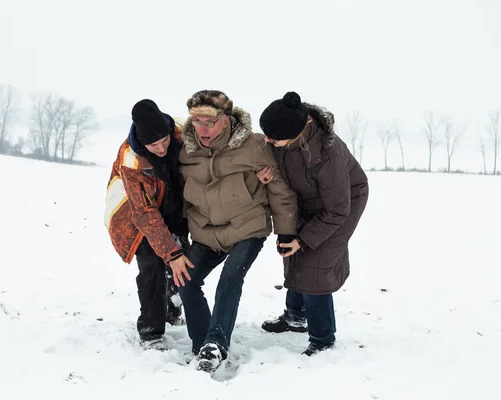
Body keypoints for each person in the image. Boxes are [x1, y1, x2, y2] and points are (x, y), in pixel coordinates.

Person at [176, 90, 298, 372]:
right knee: (185, 278)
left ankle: (217, 343)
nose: (202, 129)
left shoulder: (254, 146)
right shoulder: (187, 150)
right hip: (206, 232)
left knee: (231, 277)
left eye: (209, 122)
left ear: (226, 119)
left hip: (247, 228)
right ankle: (202, 343)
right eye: (196, 121)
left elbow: (279, 190)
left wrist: (286, 232)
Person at [258, 91, 369, 356]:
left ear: (296, 132)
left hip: (343, 203)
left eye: (273, 138)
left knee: (314, 266)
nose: (267, 141)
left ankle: (323, 339)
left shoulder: (328, 154)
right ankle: (295, 316)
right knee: (291, 253)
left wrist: (304, 239)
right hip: (307, 197)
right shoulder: (284, 137)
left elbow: (337, 210)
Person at [104, 99, 194, 351]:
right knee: (153, 261)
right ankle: (150, 330)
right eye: (154, 145)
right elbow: (144, 213)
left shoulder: (180, 130)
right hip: (132, 212)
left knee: (180, 253)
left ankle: (172, 310)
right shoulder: (131, 160)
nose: (162, 147)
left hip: (172, 200)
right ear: (142, 142)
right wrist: (170, 253)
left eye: (164, 140)